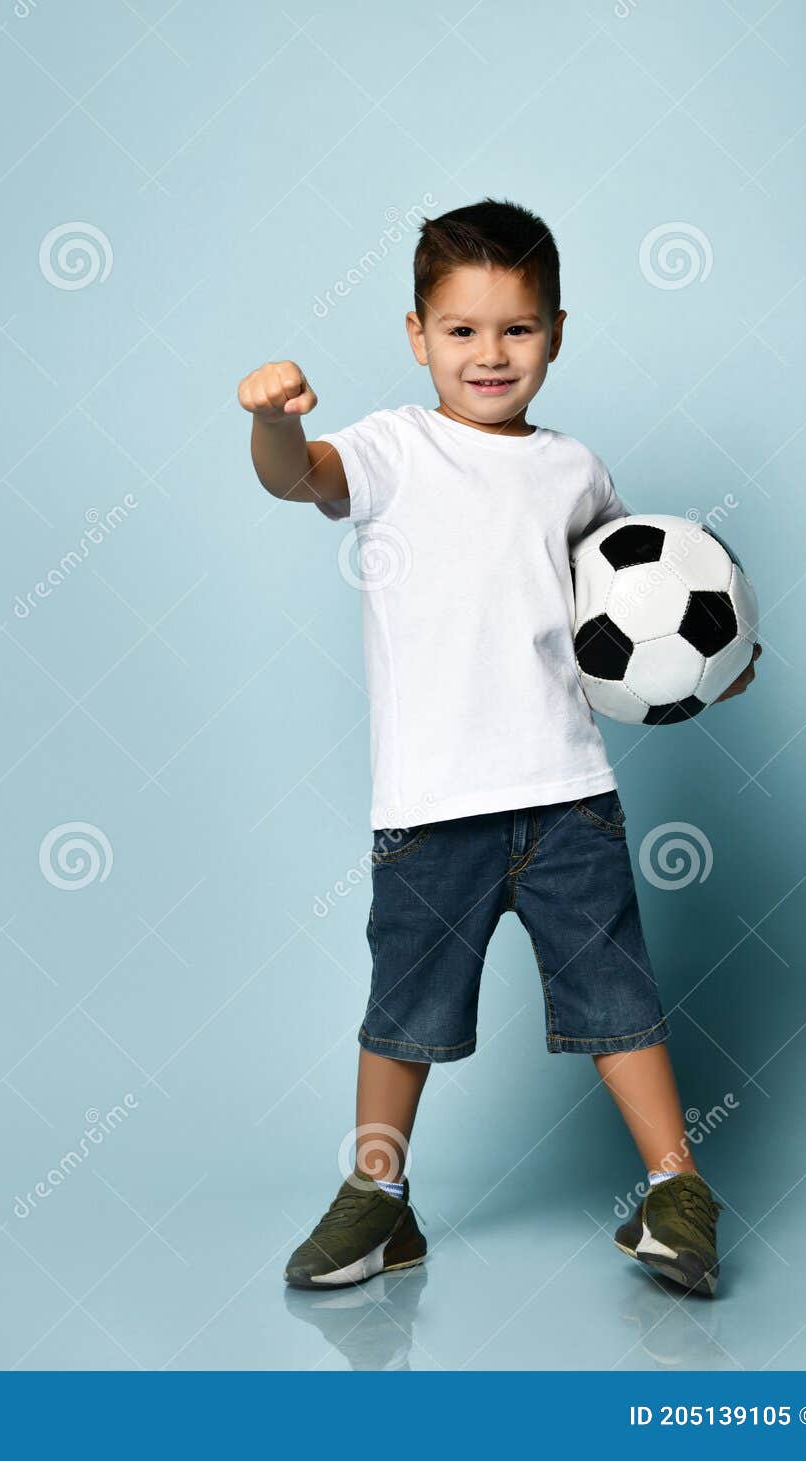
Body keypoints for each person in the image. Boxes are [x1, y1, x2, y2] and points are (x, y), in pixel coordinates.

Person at [237, 197, 760, 1298]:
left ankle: (677, 1190)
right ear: (417, 334)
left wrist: (711, 663)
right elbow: (295, 478)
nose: (489, 353)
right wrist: (274, 420)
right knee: (402, 1018)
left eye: (516, 329)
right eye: (463, 330)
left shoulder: (575, 470)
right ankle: (375, 1199)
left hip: (569, 796)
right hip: (430, 807)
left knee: (619, 1003)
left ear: (556, 333)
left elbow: (633, 598)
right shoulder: (391, 448)